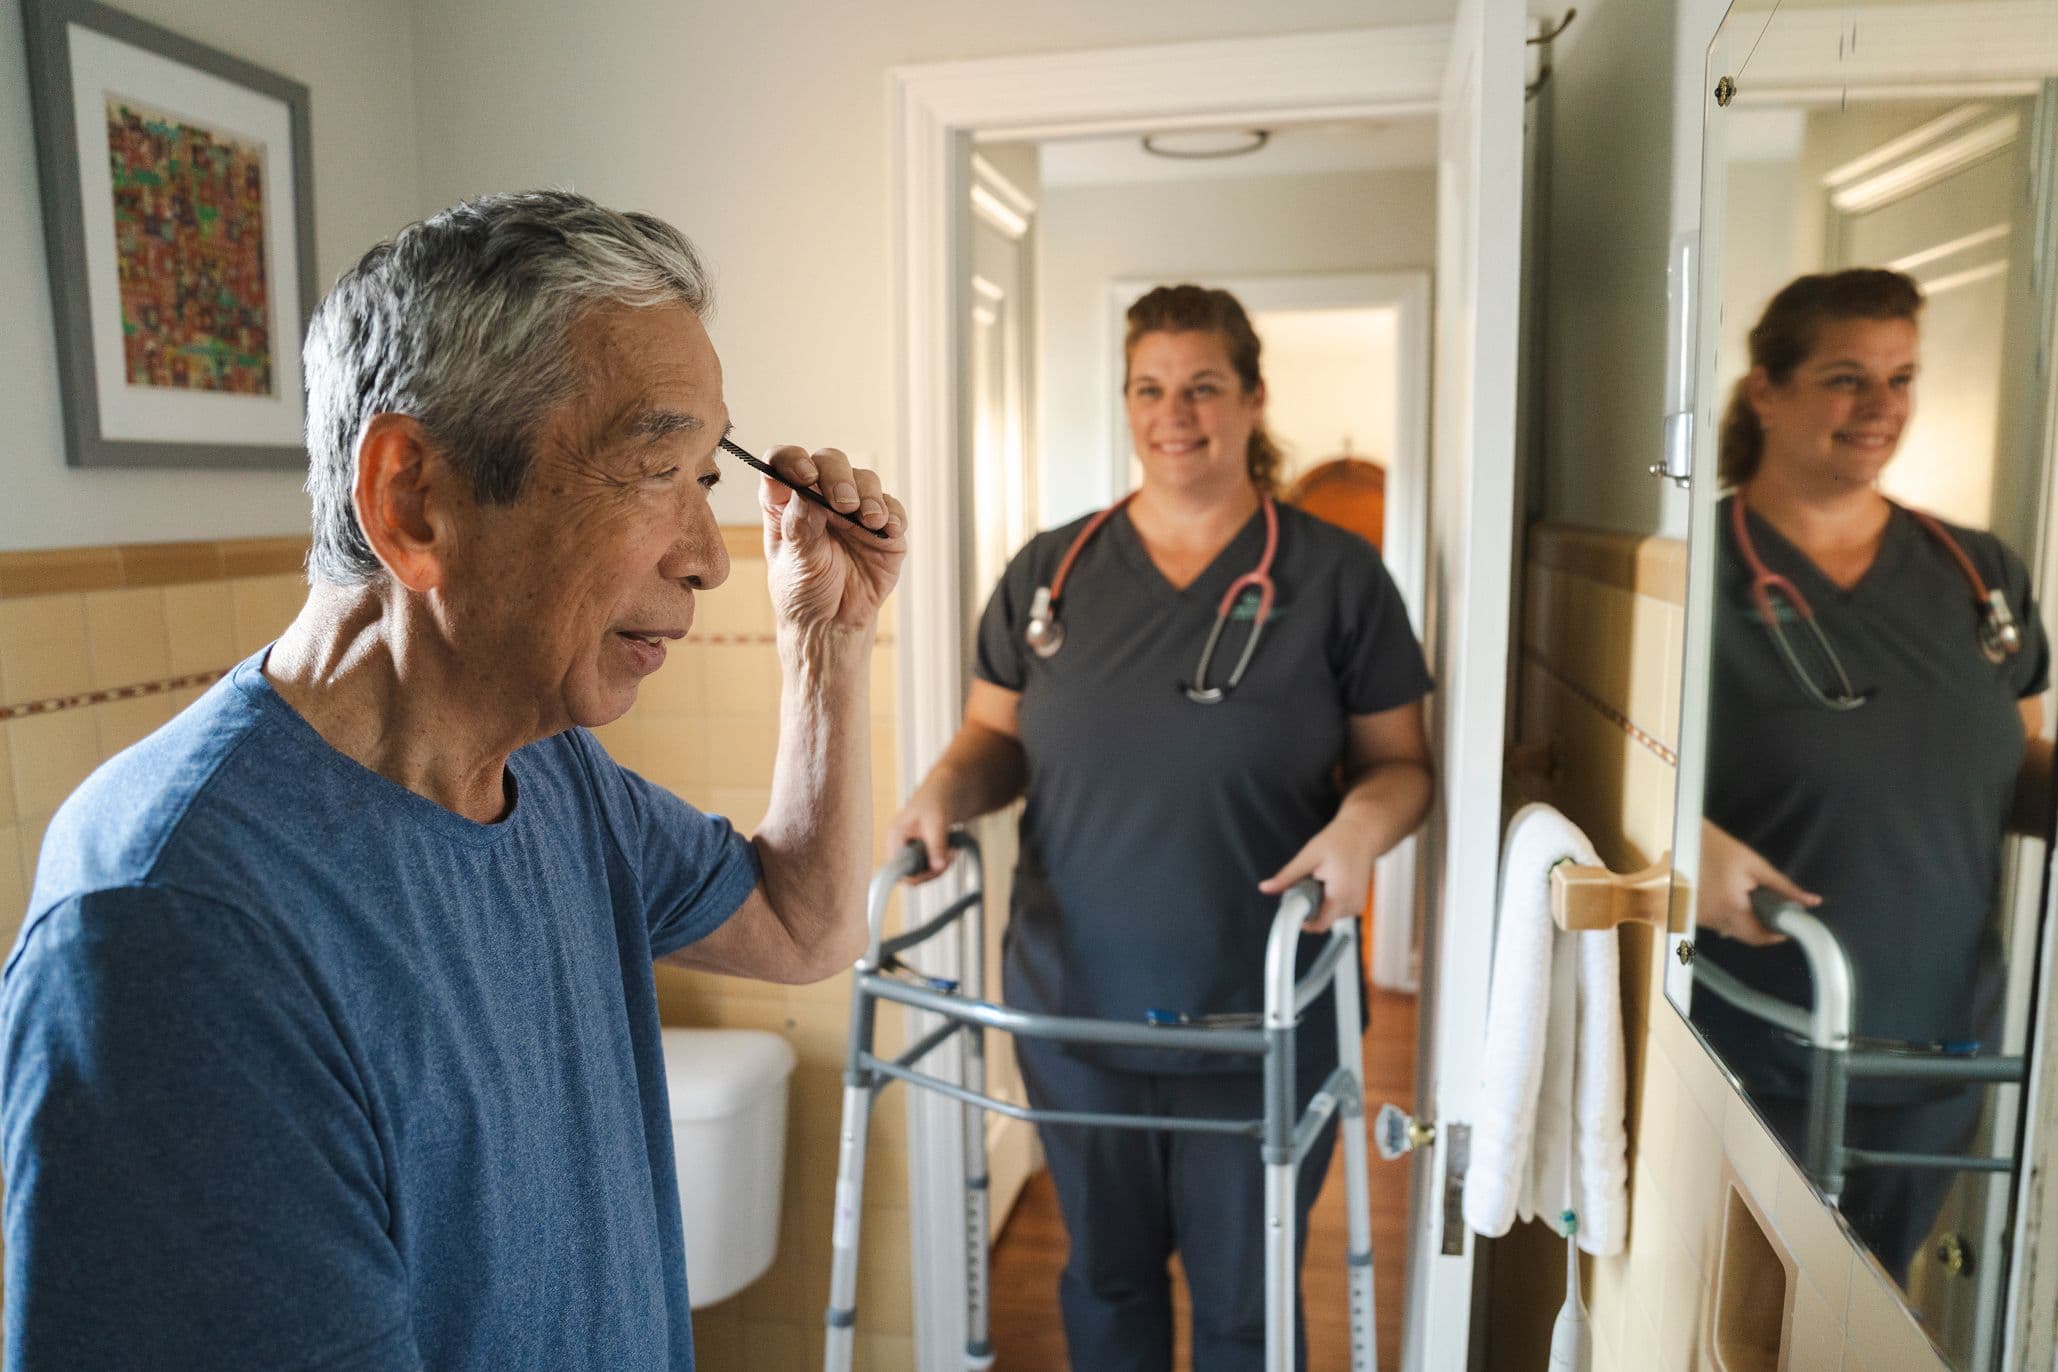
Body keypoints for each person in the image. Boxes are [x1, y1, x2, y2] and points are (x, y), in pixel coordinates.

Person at [0, 190, 905, 1371]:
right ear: (414, 498)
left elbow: (801, 921)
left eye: (708, 476)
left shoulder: (553, 773)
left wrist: (827, 640)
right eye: (655, 468)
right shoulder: (172, 927)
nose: (706, 557)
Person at [891, 284, 1434, 1371]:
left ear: (1252, 399)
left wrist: (1361, 831)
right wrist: (944, 790)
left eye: (1202, 387)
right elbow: (992, 740)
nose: (1173, 412)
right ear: (1127, 398)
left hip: (1262, 1010)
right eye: (1149, 386)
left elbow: (1401, 766)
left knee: (1246, 1303)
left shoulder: (1337, 579)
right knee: (1107, 1277)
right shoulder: (1053, 572)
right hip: (1077, 1006)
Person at [1693, 268, 2051, 1282]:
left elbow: (2007, 762)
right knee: (1748, 1319)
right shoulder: (1694, 571)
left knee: (1873, 1309)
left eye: (1901, 378)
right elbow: (1617, 775)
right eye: (1848, 377)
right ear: (1766, 388)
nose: (1881, 406)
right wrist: (1689, 845)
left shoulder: (1976, 573)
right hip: (1756, 1033)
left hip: (1938, 1041)